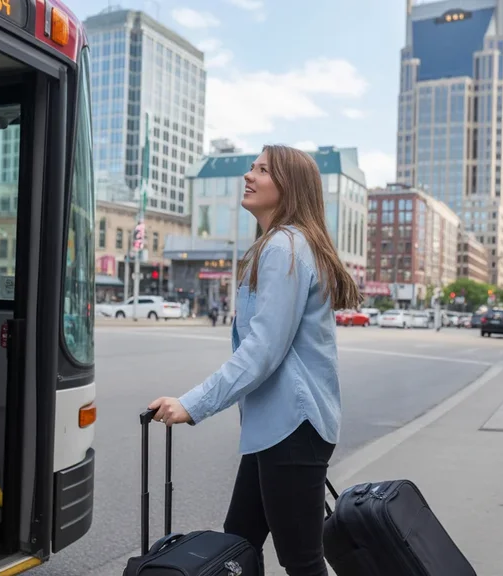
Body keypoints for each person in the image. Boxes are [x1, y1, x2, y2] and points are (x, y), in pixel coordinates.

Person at [146, 145, 362, 576]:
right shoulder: (280, 245)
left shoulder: (285, 247)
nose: (249, 175)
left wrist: (193, 403)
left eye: (262, 170)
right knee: (238, 539)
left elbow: (263, 350)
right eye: (252, 167)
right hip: (277, 428)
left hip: (292, 428)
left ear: (288, 187)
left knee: (300, 558)